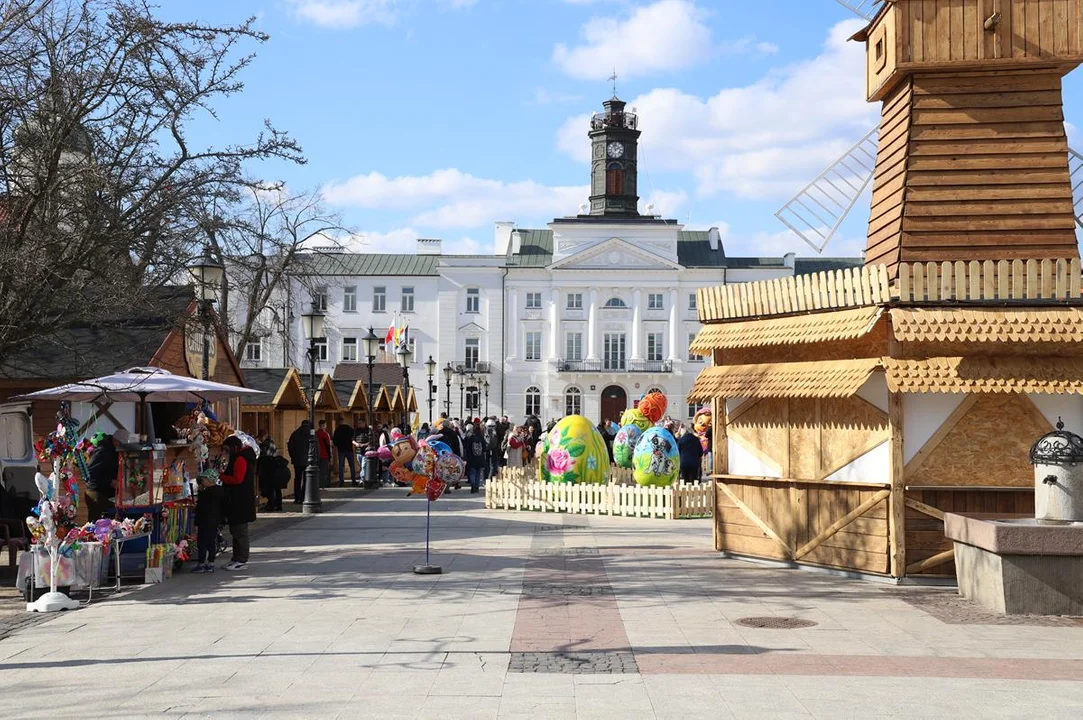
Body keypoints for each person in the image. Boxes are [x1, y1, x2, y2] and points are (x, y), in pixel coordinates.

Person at [219, 436, 257, 570]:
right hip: (238, 499)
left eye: (226, 450)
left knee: (240, 531)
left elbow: (237, 479)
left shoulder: (241, 459)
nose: (224, 453)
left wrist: (222, 477)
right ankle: (236, 558)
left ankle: (241, 559)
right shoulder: (240, 457)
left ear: (234, 448)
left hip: (240, 500)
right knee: (235, 530)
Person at [85, 429, 127, 520]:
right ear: (115, 440)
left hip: (108, 493)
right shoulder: (103, 450)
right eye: (120, 443)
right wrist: (110, 481)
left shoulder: (114, 449)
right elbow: (91, 471)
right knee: (96, 524)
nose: (121, 446)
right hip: (96, 492)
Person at [193, 471, 224, 573]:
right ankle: (211, 563)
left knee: (202, 542)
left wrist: (196, 523)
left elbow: (200, 509)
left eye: (203, 480)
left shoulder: (205, 493)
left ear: (208, 480)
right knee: (211, 542)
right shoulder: (221, 490)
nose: (202, 481)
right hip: (215, 520)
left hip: (204, 520)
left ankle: (201, 563)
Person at [257, 429, 282, 512]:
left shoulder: (265, 444)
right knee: (275, 487)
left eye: (261, 438)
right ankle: (278, 505)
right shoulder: (271, 442)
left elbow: (264, 456)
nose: (260, 439)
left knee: (269, 487)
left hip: (268, 468)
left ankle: (272, 505)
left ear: (264, 436)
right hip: (274, 467)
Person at [287, 419, 311, 504]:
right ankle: (304, 496)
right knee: (306, 479)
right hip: (307, 460)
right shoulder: (310, 433)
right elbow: (314, 446)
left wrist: (292, 456)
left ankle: (297, 497)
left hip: (297, 460)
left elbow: (290, 446)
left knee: (297, 478)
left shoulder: (295, 433)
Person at [463, 423, 488, 494]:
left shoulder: (471, 438)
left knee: (472, 472)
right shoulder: (482, 438)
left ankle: (472, 485)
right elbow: (484, 449)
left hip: (472, 458)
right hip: (480, 458)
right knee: (478, 473)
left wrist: (466, 458)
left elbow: (468, 449)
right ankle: (477, 487)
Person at [332, 420, 356, 486]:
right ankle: (353, 480)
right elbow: (353, 436)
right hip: (349, 449)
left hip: (341, 450)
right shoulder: (349, 428)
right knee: (352, 465)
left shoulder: (337, 430)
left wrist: (338, 445)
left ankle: (341, 480)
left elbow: (334, 440)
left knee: (341, 466)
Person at [316, 420, 333, 488]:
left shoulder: (315, 433)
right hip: (324, 455)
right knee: (323, 471)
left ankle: (317, 484)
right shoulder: (325, 434)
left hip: (316, 455)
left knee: (317, 470)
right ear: (324, 425)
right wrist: (330, 456)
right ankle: (322, 484)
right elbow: (328, 446)